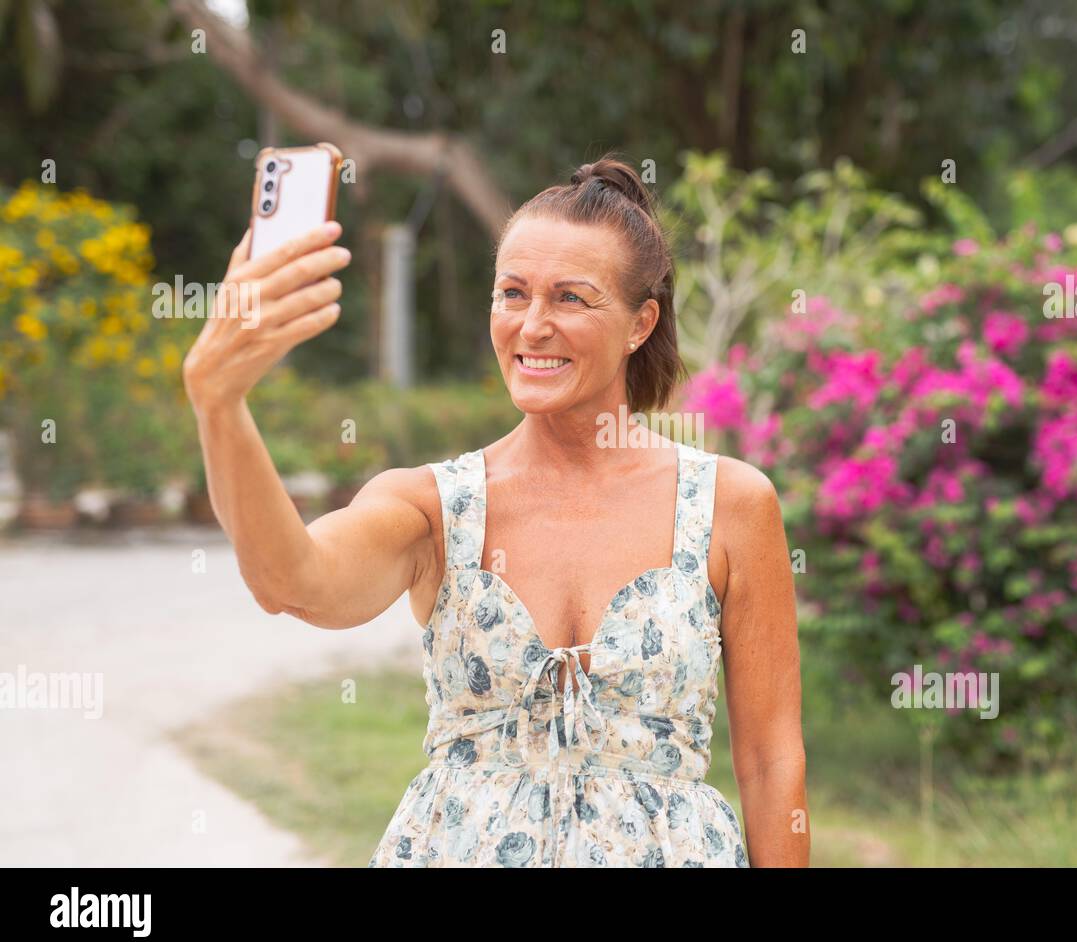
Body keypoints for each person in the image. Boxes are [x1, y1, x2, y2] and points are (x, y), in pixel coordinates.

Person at [183, 153, 808, 867]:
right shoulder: (433, 506)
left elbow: (770, 759)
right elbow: (290, 581)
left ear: (641, 323)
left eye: (571, 298)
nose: (532, 325)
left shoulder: (729, 504)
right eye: (512, 293)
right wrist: (220, 404)